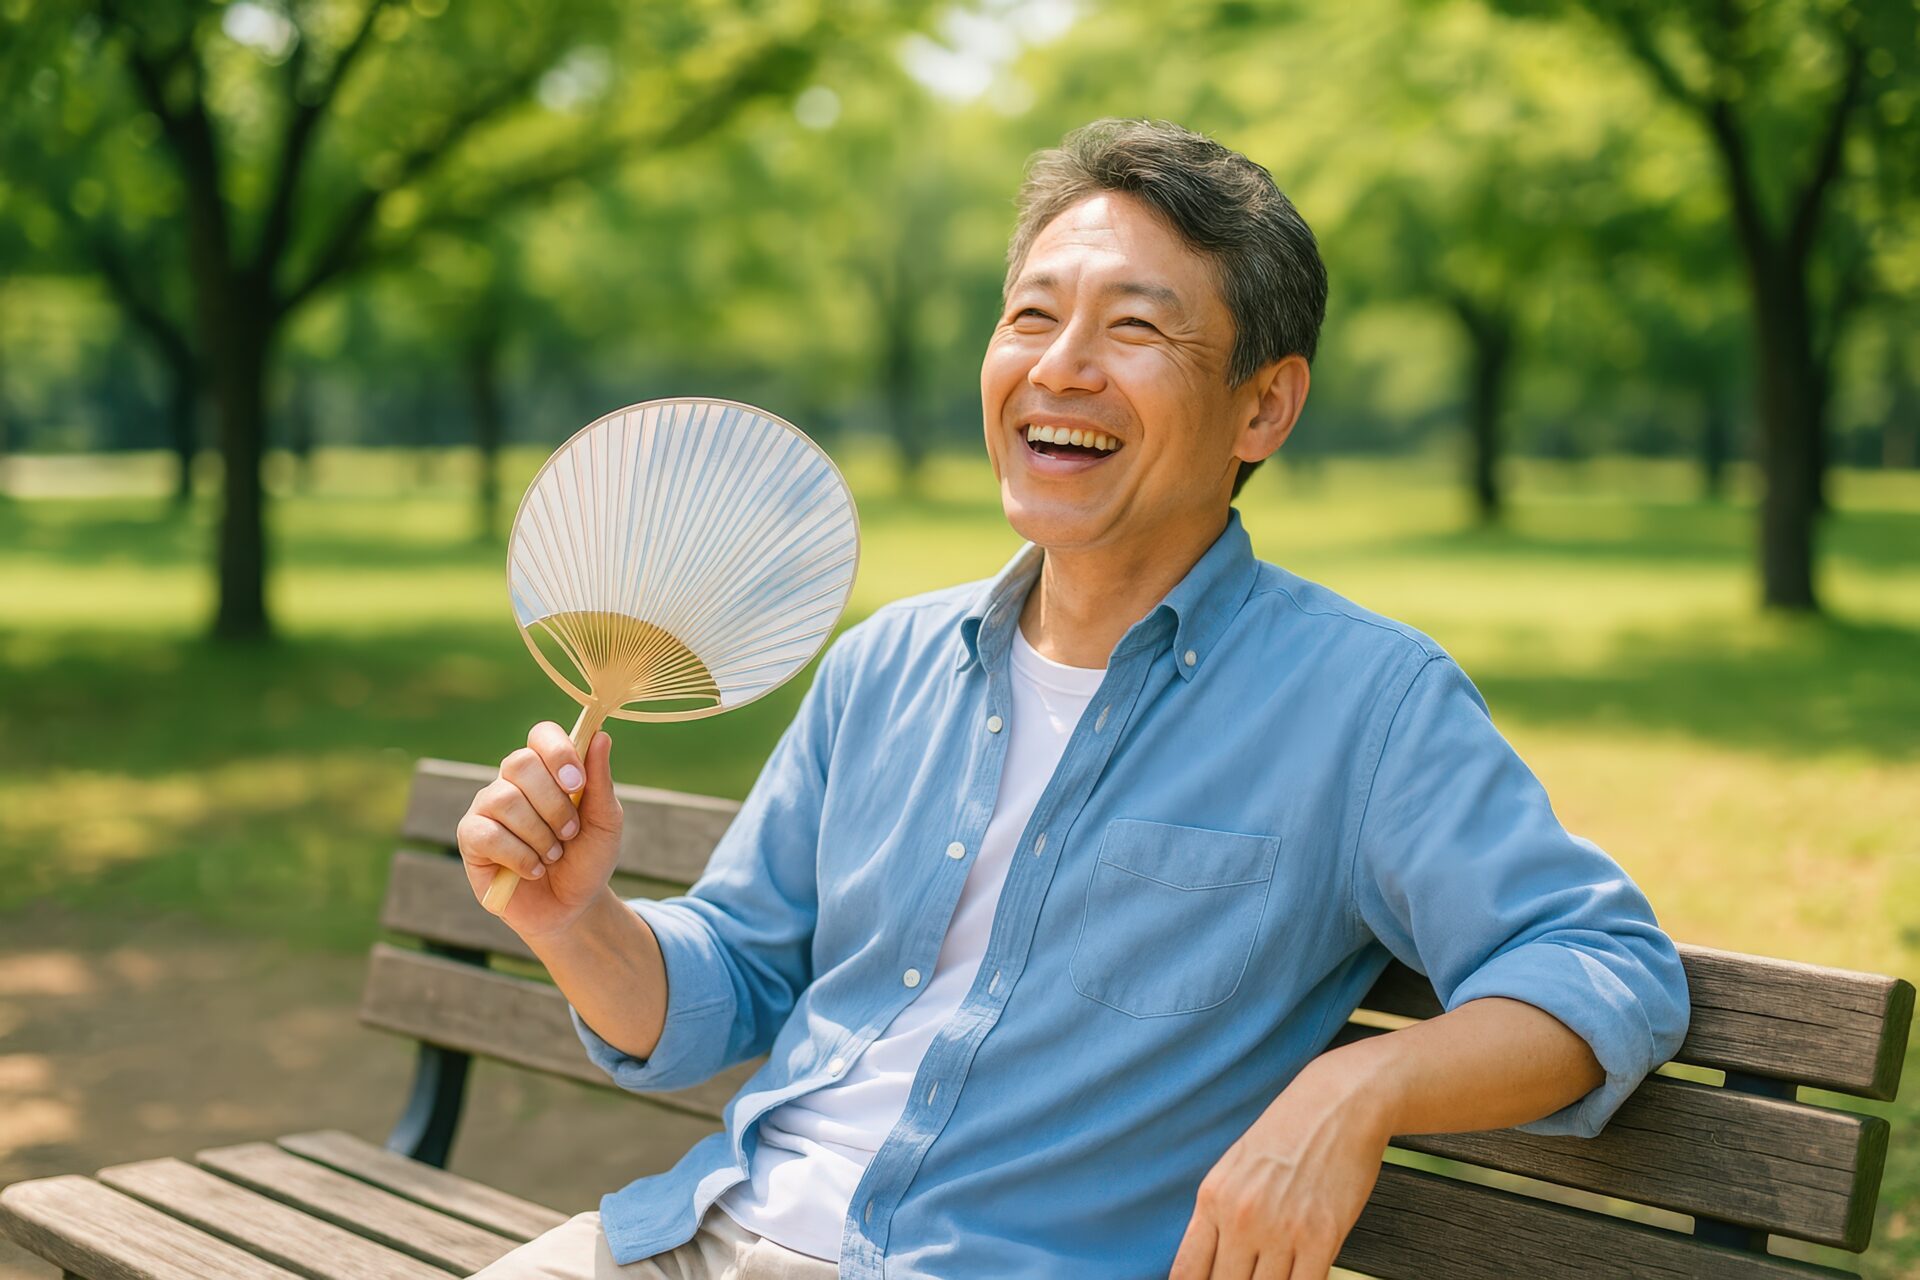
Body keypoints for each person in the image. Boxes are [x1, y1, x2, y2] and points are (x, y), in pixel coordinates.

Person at [458, 118, 1690, 1280]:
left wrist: (1354, 1088)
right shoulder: (885, 662)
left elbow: (1602, 961)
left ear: (1263, 405)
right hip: (702, 1233)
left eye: (1134, 330)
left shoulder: (1365, 704)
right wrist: (574, 919)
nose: (1060, 366)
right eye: (1031, 316)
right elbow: (732, 974)